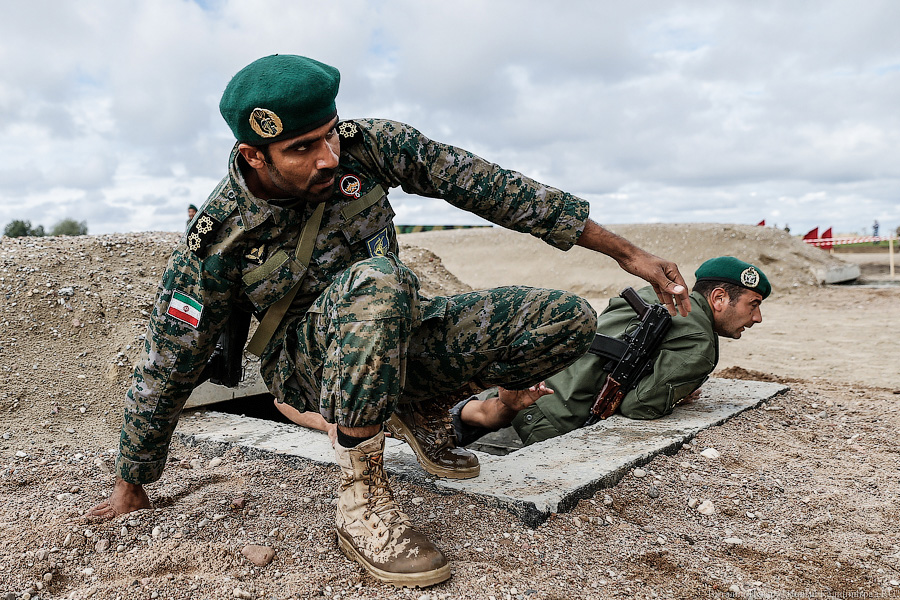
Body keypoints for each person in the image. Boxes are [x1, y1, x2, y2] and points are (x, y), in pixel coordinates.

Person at [86, 54, 690, 587]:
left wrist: (626, 252)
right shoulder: (219, 238)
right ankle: (362, 498)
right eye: (302, 149)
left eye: (329, 137)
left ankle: (419, 406)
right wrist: (132, 479)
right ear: (253, 155)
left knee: (564, 320)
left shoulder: (367, 147)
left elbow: (486, 185)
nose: (327, 158)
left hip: (392, 331)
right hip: (306, 368)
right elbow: (169, 360)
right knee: (379, 279)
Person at [452, 256, 769, 446]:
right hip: (555, 419)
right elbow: (639, 406)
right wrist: (676, 395)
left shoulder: (653, 293)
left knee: (456, 424)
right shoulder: (700, 346)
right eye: (752, 305)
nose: (756, 318)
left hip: (533, 382)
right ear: (718, 298)